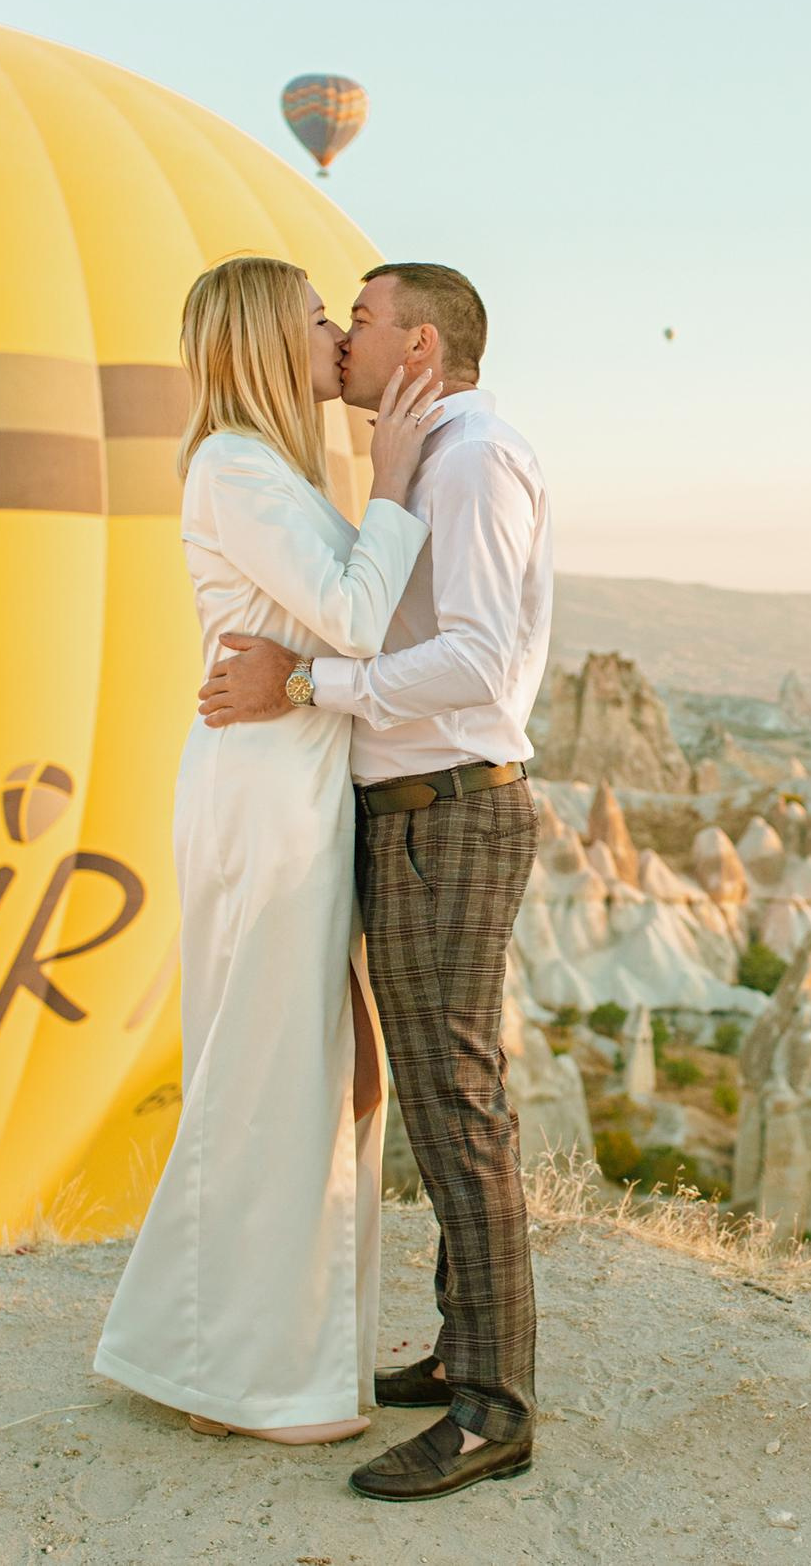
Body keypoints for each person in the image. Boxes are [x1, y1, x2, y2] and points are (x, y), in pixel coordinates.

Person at [197, 261, 553, 1502]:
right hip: (404, 815)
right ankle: (466, 1351)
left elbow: (478, 662)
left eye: (358, 319)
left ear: (419, 346)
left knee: (456, 1101)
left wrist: (302, 688)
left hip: (448, 815)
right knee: (431, 1087)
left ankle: (491, 1409)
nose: (341, 337)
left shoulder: (465, 459)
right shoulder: (424, 460)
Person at [91, 255, 442, 1447]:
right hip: (265, 808)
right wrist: (394, 485)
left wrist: (295, 673)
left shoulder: (269, 472)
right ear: (259, 342)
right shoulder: (238, 470)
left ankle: (264, 1356)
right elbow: (351, 613)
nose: (334, 335)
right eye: (311, 320)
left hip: (297, 790)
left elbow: (342, 622)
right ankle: (245, 1377)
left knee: (335, 1074)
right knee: (276, 1076)